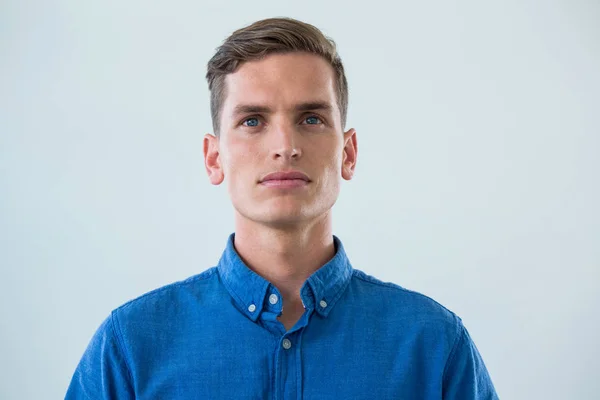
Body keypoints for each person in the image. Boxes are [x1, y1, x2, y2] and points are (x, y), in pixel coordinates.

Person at [66, 17, 498, 399]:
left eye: (310, 118)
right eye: (252, 121)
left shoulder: (434, 345)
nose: (285, 147)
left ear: (348, 153)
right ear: (213, 158)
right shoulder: (130, 346)